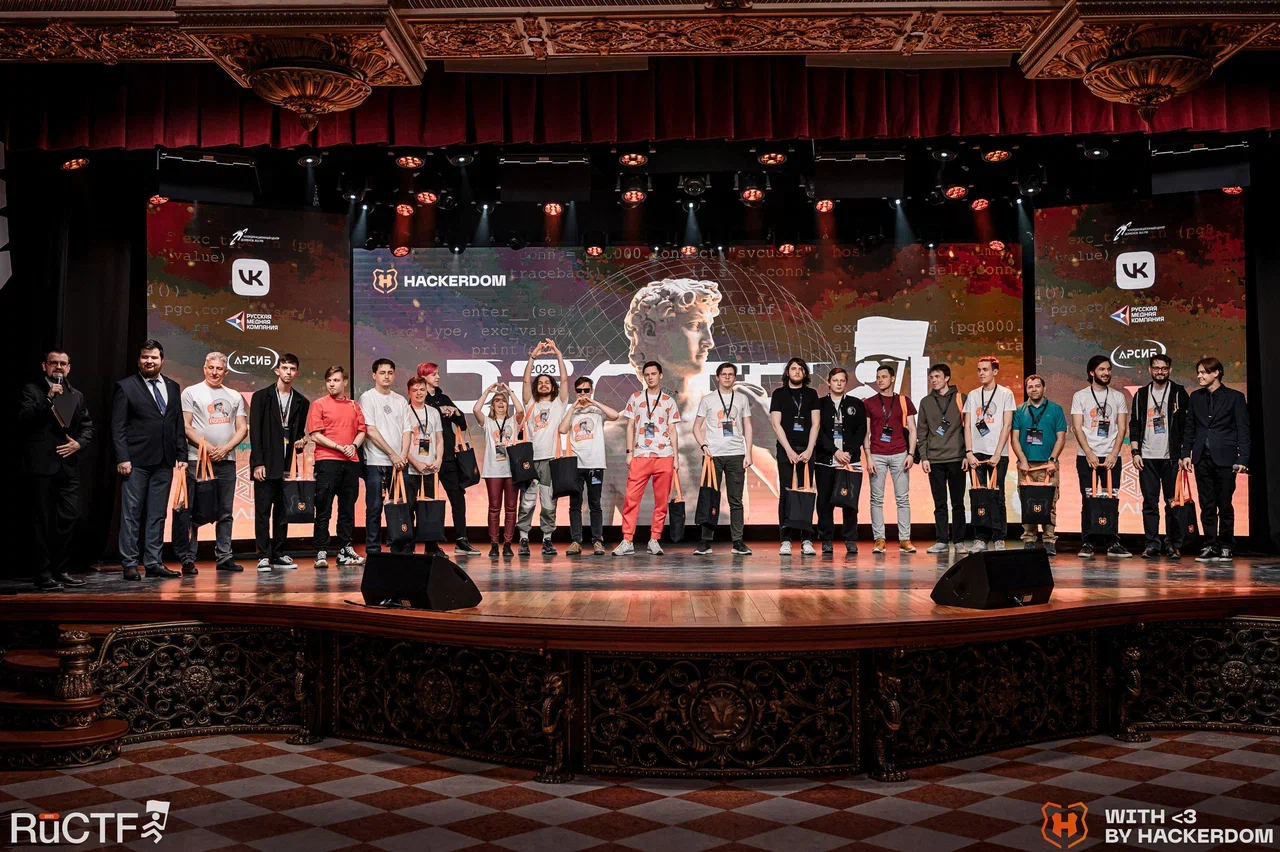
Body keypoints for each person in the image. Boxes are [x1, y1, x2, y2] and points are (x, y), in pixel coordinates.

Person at [19, 350, 94, 591]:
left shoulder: (76, 395)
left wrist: (79, 443)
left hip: (68, 467)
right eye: (54, 363)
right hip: (41, 466)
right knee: (42, 522)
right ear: (45, 366)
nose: (58, 367)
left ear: (69, 368)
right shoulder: (32, 391)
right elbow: (23, 419)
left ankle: (61, 570)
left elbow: (87, 426)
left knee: (71, 516)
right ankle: (43, 575)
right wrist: (47, 399)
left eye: (63, 363)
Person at [112, 340, 186, 581]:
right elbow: (118, 428)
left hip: (164, 460)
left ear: (162, 360)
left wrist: (182, 454)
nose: (149, 361)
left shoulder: (173, 387)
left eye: (154, 357)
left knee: (158, 514)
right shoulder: (126, 387)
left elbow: (177, 423)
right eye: (145, 357)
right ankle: (130, 563)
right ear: (139, 360)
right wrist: (123, 458)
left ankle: (153, 562)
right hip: (136, 462)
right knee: (131, 514)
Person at [178, 352, 249, 573]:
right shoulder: (191, 392)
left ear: (225, 372)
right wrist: (208, 448)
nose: (215, 372)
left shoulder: (234, 395)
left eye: (219, 369)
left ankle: (224, 557)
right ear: (204, 368)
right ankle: (188, 558)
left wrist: (225, 449)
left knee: (225, 512)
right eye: (211, 368)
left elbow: (242, 428)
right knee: (193, 511)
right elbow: (186, 426)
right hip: (197, 459)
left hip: (226, 461)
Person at [1180, 356, 1250, 563]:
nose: (1199, 376)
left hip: (1226, 458)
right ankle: (1210, 544)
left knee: (1225, 504)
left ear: (1216, 373)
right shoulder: (1195, 397)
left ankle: (1227, 545)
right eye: (1198, 372)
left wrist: (1243, 458)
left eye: (1203, 372)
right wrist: (1186, 454)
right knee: (1207, 504)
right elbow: (1190, 427)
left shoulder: (1235, 397)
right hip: (1201, 457)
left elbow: (1243, 429)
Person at [613, 360, 681, 556]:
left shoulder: (669, 401)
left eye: (653, 374)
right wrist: (629, 453)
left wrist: (676, 457)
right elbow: (629, 426)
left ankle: (654, 539)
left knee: (661, 502)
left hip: (664, 456)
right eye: (647, 374)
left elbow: (672, 430)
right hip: (641, 455)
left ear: (660, 375)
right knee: (631, 499)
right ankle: (627, 540)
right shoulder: (635, 398)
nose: (650, 377)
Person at [250, 353, 309, 572]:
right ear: (277, 370)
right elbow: (255, 433)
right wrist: (258, 463)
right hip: (266, 463)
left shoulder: (302, 401)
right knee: (263, 511)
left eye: (292, 369)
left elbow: (299, 433)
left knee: (284, 512)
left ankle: (279, 553)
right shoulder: (261, 397)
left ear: (297, 373)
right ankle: (263, 555)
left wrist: (301, 442)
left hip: (287, 465)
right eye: (284, 368)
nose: (288, 372)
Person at [1070, 355, 1131, 559]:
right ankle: (1087, 542)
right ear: (1092, 372)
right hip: (1086, 456)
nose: (1106, 373)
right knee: (1088, 500)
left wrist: (1114, 453)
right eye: (1102, 369)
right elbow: (1077, 427)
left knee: (1110, 500)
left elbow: (1122, 428)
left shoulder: (1118, 397)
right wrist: (1089, 452)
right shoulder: (1080, 396)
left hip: (1111, 456)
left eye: (1108, 369)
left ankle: (1112, 542)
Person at [692, 362, 754, 556]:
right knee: (709, 497)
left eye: (731, 374)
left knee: (736, 500)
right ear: (717, 377)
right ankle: (705, 541)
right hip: (713, 456)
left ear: (735, 378)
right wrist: (704, 446)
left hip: (736, 454)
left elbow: (748, 426)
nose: (727, 377)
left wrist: (748, 452)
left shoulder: (742, 399)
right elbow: (696, 427)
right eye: (724, 374)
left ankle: (738, 541)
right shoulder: (708, 399)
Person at [307, 366, 366, 568]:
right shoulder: (319, 404)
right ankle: (321, 551)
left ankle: (345, 549)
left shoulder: (354, 406)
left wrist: (353, 446)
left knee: (347, 508)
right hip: (327, 461)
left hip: (351, 462)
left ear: (345, 382)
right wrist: (339, 447)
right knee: (323, 508)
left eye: (336, 380)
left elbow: (362, 430)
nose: (332, 384)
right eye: (329, 380)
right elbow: (315, 434)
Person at [1131, 354, 1189, 559]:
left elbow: (1186, 426)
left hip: (1171, 458)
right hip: (1147, 457)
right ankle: (1152, 544)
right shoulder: (1141, 394)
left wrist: (1183, 454)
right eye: (1156, 368)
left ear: (1170, 370)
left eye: (1164, 368)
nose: (1160, 372)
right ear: (1150, 370)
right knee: (1150, 503)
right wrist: (1135, 452)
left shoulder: (1179, 392)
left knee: (1173, 503)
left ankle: (1173, 545)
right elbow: (1135, 424)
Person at [417, 362, 479, 556]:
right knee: (430, 499)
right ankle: (431, 544)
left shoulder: (443, 397)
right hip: (427, 458)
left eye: (438, 374)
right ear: (423, 377)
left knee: (458, 497)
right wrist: (438, 410)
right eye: (433, 374)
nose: (438, 377)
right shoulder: (419, 398)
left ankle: (461, 540)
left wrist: (455, 412)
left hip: (449, 458)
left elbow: (463, 424)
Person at [518, 339, 570, 556]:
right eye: (540, 382)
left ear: (553, 386)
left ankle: (547, 539)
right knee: (527, 502)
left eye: (547, 382)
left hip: (550, 460)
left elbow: (565, 379)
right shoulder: (531, 404)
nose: (543, 384)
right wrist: (533, 356)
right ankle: (523, 539)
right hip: (531, 461)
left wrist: (558, 354)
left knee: (549, 503)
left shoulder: (559, 404)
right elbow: (525, 380)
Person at [559, 376, 619, 556]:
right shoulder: (572, 411)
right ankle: (576, 541)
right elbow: (562, 429)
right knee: (575, 505)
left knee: (595, 504)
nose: (583, 394)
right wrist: (573, 408)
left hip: (595, 464)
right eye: (579, 391)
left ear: (591, 391)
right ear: (575, 392)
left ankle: (597, 541)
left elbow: (615, 415)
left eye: (586, 390)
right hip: (575, 465)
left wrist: (593, 402)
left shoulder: (596, 410)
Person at [359, 359, 413, 556]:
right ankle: (373, 549)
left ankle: (398, 546)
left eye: (390, 372)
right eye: (382, 372)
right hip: (376, 462)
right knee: (374, 508)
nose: (386, 376)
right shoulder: (367, 398)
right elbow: (370, 430)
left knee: (401, 507)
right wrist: (392, 454)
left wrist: (402, 456)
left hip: (399, 464)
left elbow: (407, 430)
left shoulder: (400, 400)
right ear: (374, 375)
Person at [963, 356, 1016, 552]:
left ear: (995, 372)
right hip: (976, 453)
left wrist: (998, 453)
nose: (981, 373)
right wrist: (969, 452)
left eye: (985, 369)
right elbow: (967, 425)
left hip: (997, 454)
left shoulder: (1005, 394)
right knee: (979, 498)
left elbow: (1007, 425)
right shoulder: (973, 395)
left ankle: (999, 537)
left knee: (997, 497)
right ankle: (980, 538)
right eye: (979, 370)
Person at [769, 357, 821, 556]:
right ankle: (785, 540)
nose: (797, 371)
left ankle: (806, 539)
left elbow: (816, 423)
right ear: (787, 372)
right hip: (786, 450)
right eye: (793, 368)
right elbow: (776, 424)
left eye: (800, 369)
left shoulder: (811, 394)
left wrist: (809, 449)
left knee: (806, 492)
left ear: (805, 373)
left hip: (807, 450)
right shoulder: (779, 394)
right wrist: (789, 450)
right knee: (786, 494)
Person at [864, 363, 917, 554]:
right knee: (876, 499)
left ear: (893, 378)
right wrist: (868, 457)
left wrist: (911, 454)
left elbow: (912, 429)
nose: (880, 380)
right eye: (878, 377)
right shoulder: (869, 402)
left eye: (884, 377)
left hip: (900, 453)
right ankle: (879, 539)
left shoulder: (903, 401)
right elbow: (865, 432)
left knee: (902, 499)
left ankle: (905, 539)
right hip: (877, 454)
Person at [1011, 375, 1067, 555]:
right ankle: (1029, 539)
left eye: (1037, 386)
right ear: (1026, 390)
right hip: (1026, 466)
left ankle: (1049, 540)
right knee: (1028, 503)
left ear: (1044, 388)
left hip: (1048, 465)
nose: (1034, 389)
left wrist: (1053, 460)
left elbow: (1061, 437)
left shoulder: (1056, 409)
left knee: (1050, 503)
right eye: (1030, 387)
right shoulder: (1019, 410)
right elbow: (1014, 438)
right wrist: (1022, 460)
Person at [814, 367, 866, 556]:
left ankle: (850, 539)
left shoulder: (856, 404)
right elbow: (817, 431)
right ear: (828, 382)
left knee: (849, 502)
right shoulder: (820, 404)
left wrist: (849, 452)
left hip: (849, 461)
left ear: (846, 383)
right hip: (826, 460)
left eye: (842, 380)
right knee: (824, 502)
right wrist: (835, 451)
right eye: (835, 380)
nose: (838, 383)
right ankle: (826, 540)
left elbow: (861, 430)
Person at [916, 364, 966, 555]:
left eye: (937, 376)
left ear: (947, 378)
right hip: (935, 459)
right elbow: (922, 431)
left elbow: (967, 428)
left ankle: (959, 541)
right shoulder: (926, 402)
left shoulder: (961, 398)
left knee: (958, 502)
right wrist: (924, 457)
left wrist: (967, 454)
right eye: (931, 377)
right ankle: (941, 541)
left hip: (957, 457)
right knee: (940, 503)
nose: (934, 380)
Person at [472, 382, 522, 558]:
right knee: (494, 508)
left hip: (511, 471)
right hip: (493, 470)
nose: (501, 403)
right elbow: (476, 410)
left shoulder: (513, 421)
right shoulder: (488, 422)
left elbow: (520, 410)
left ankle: (507, 543)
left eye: (503, 400)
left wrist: (509, 391)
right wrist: (487, 391)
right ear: (492, 405)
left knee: (511, 508)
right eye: (497, 400)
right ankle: (494, 544)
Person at [406, 375, 445, 554]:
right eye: (415, 390)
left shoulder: (433, 412)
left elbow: (439, 439)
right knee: (409, 508)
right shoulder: (404, 412)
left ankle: (431, 546)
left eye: (422, 389)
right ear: (409, 392)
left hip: (430, 468)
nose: (419, 393)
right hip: (410, 468)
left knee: (430, 509)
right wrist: (415, 462)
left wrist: (438, 460)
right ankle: (408, 545)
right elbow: (400, 443)